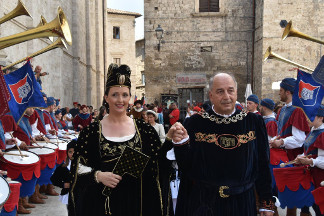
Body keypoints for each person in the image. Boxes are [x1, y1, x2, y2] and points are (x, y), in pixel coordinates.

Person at [69, 64, 173, 216]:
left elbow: (158, 166)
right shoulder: (91, 132)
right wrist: (97, 176)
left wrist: (170, 140)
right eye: (114, 94)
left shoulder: (144, 131)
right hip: (101, 206)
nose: (120, 100)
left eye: (125, 95)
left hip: (137, 205)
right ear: (106, 97)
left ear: (130, 97)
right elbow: (77, 168)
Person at [170, 73, 274, 216]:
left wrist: (266, 202)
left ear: (236, 93)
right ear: (211, 95)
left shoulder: (254, 122)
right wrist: (180, 144)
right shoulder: (194, 123)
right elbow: (186, 167)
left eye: (230, 90)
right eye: (220, 91)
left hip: (242, 204)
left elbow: (263, 163)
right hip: (204, 204)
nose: (226, 96)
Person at [294, 105, 324, 216]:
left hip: (320, 179)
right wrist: (301, 157)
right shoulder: (312, 130)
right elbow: (308, 152)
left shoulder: (323, 133)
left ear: (321, 118)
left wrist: (311, 162)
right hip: (311, 177)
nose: (307, 118)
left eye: (311, 116)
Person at [51, 140, 75, 209]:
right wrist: (63, 184)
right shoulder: (63, 167)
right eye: (70, 152)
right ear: (67, 153)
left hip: (81, 194)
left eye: (74, 152)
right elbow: (54, 179)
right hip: (68, 194)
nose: (72, 154)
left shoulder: (82, 166)